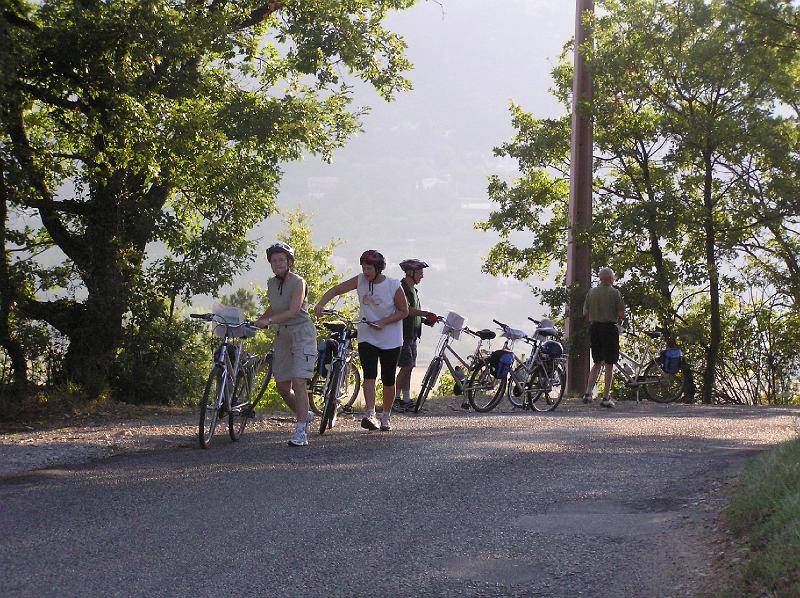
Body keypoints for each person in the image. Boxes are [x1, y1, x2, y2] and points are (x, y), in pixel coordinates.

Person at [314, 250, 409, 431]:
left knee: (388, 379)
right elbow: (336, 289)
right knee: (369, 375)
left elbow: (403, 311)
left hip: (390, 338)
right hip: (367, 335)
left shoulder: (393, 285)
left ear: (378, 268)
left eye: (369, 268)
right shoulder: (360, 280)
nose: (366, 272)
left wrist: (383, 322)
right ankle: (369, 413)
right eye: (364, 268)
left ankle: (386, 416)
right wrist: (321, 303)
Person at [254, 242, 317, 446]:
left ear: (289, 262)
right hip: (283, 335)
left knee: (299, 381)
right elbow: (275, 306)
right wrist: (259, 321)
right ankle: (304, 414)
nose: (278, 263)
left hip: (302, 333)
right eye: (274, 261)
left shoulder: (299, 282)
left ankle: (301, 431)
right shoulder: (272, 283)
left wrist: (269, 321)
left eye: (281, 260)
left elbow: (292, 310)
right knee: (282, 386)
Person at [393, 259, 438, 412]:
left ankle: (406, 399)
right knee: (405, 367)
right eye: (420, 273)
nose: (422, 277)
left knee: (410, 367)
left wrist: (424, 320)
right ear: (410, 273)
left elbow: (413, 314)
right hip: (403, 333)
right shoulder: (402, 288)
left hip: (412, 333)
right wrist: (426, 313)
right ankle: (395, 399)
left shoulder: (413, 289)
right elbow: (408, 310)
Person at [581, 267, 626, 408]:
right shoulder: (615, 293)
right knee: (609, 364)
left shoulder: (591, 292)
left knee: (597, 361)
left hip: (594, 328)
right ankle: (606, 397)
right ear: (610, 278)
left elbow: (585, 312)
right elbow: (621, 315)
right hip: (609, 329)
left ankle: (588, 393)